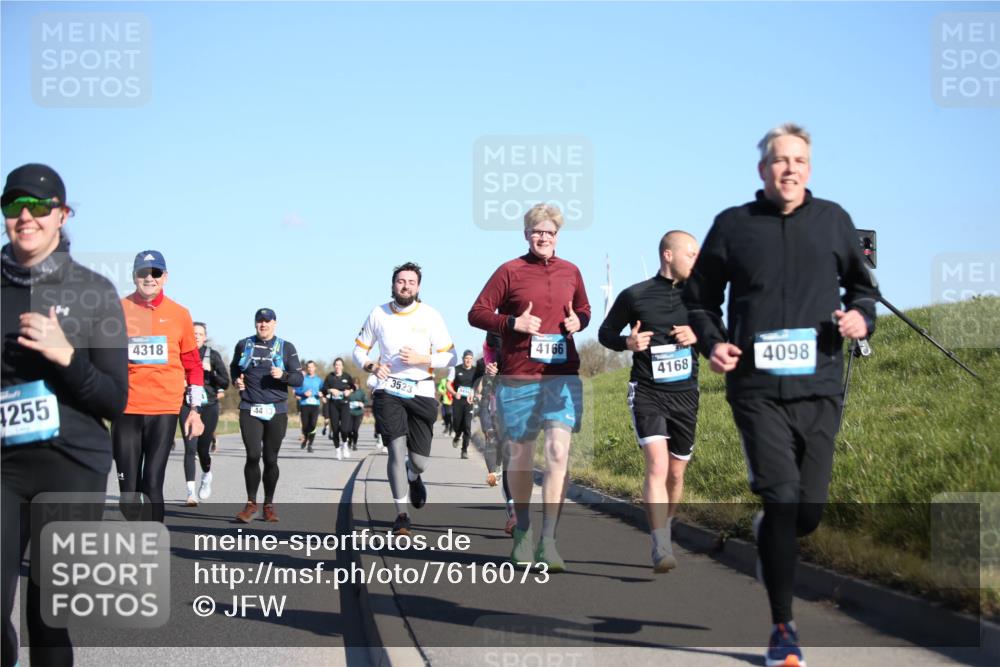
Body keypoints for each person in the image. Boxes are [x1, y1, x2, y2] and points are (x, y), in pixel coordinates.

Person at [682, 123, 878, 667]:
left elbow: (863, 289)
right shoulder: (733, 226)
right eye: (778, 160)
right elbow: (699, 301)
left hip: (820, 384)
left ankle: (771, 532)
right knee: (783, 497)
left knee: (807, 511)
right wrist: (714, 345)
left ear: (809, 169)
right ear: (762, 170)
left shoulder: (833, 221)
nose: (788, 168)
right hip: (756, 389)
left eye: (798, 160)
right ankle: (783, 627)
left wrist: (861, 317)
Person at [1, 164, 128, 667]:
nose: (25, 216)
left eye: (38, 206)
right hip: (4, 466)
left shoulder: (94, 292)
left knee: (48, 619)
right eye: (13, 206)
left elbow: (113, 399)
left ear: (62, 214)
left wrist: (66, 357)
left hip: (71, 466)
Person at [469, 203, 591, 572]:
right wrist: (512, 323)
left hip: (561, 374)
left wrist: (577, 321)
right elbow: (476, 312)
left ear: (557, 236)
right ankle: (523, 531)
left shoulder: (572, 271)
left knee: (557, 452)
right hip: (518, 376)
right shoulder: (510, 271)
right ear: (527, 234)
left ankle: (549, 541)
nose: (543, 237)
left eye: (550, 232)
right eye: (537, 231)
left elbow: (584, 310)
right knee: (521, 458)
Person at [598, 230, 701, 572]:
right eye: (691, 254)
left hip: (685, 394)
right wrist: (627, 343)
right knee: (657, 465)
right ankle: (659, 543)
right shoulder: (635, 295)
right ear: (668, 255)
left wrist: (697, 335)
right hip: (647, 392)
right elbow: (605, 333)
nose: (696, 260)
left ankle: (666, 526)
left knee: (675, 473)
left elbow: (721, 335)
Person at [353, 261, 457, 536]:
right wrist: (372, 367)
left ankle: (414, 476)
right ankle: (401, 514)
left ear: (418, 286)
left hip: (421, 390)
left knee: (420, 460)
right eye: (401, 281)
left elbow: (451, 355)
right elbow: (359, 351)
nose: (406, 286)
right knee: (396, 451)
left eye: (411, 282)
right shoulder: (378, 314)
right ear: (393, 284)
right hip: (389, 391)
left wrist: (424, 358)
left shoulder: (431, 316)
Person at [114, 250, 205, 523]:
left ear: (165, 277)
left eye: (155, 273)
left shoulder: (179, 314)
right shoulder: (116, 310)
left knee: (152, 482)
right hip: (125, 410)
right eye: (143, 272)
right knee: (128, 489)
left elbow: (193, 365)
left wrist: (195, 410)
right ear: (134, 276)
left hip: (164, 410)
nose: (149, 278)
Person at [230, 308, 303, 523]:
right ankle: (251, 503)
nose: (263, 325)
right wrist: (236, 380)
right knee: (253, 454)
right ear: (255, 324)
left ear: (275, 323)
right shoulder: (244, 344)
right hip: (250, 407)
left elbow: (298, 379)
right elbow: (234, 368)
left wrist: (284, 375)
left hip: (276, 410)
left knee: (270, 459)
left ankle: (268, 504)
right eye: (259, 321)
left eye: (267, 321)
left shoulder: (286, 347)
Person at [180, 321, 230, 505]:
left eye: (200, 334)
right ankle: (190, 493)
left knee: (202, 449)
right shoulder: (182, 353)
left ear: (205, 337)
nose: (196, 336)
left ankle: (207, 474)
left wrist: (211, 374)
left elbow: (225, 383)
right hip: (187, 403)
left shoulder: (212, 355)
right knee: (189, 447)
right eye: (193, 333)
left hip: (208, 404)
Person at [448, 349, 483, 459]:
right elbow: (448, 384)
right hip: (458, 400)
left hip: (469, 401)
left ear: (472, 360)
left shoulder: (475, 370)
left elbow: (479, 384)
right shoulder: (455, 369)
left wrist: (478, 394)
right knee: (457, 424)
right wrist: (454, 393)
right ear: (463, 358)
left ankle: (464, 450)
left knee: (467, 425)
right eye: (466, 358)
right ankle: (457, 435)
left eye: (470, 359)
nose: (468, 360)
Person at [321, 357, 353, 459]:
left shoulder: (347, 376)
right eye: (336, 365)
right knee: (335, 430)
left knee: (344, 429)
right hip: (333, 405)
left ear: (342, 366)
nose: (337, 366)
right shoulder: (329, 377)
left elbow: (354, 387)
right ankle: (338, 450)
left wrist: (349, 391)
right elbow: (324, 389)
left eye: (339, 365)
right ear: (334, 366)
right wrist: (331, 390)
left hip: (344, 404)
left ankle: (345, 445)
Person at [294, 360, 323, 453]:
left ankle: (310, 444)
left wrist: (321, 394)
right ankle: (305, 439)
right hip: (304, 405)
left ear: (315, 368)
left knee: (313, 425)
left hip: (315, 405)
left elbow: (324, 391)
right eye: (309, 367)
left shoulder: (319, 380)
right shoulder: (303, 379)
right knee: (305, 425)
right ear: (307, 368)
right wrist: (303, 393)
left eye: (312, 367)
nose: (310, 369)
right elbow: (296, 391)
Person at [345, 381, 368, 451]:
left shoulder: (361, 392)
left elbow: (366, 401)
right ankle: (349, 441)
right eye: (354, 384)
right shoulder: (349, 391)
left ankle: (354, 444)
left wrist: (362, 403)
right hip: (349, 413)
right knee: (349, 430)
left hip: (358, 413)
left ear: (359, 385)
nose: (355, 385)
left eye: (357, 384)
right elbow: (344, 399)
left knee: (355, 430)